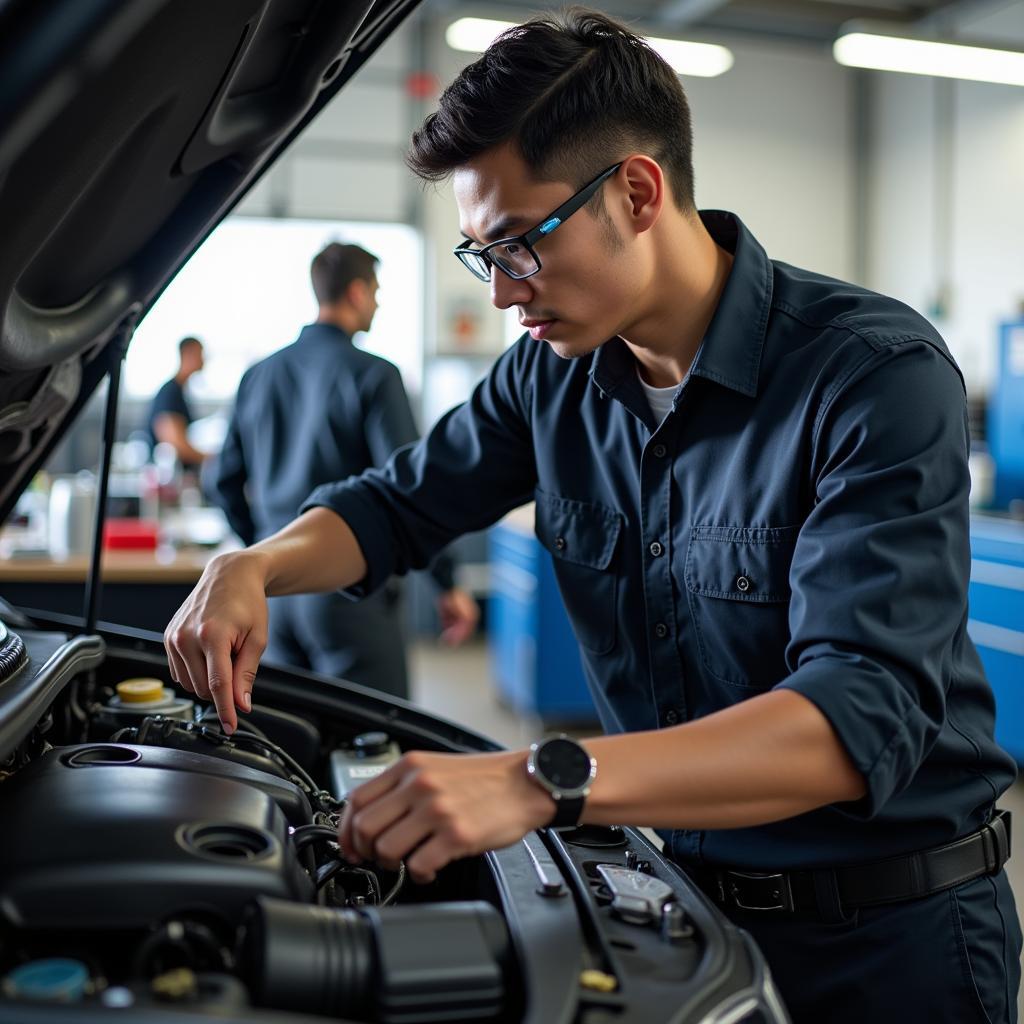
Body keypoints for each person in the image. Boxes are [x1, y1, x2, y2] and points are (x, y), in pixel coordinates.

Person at [165, 11, 1020, 1022]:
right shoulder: (548, 378)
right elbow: (394, 504)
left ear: (636, 191)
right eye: (485, 255)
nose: (505, 293)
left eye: (519, 245)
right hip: (681, 914)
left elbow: (854, 716)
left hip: (885, 945)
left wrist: (539, 777)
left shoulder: (870, 375)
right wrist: (253, 565)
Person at [207, 242, 478, 698]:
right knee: (371, 745)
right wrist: (447, 581)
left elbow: (222, 480)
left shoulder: (259, 375)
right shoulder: (375, 375)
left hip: (276, 592)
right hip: (350, 592)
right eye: (375, 291)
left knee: (291, 739)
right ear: (356, 293)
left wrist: (263, 548)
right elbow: (415, 486)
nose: (377, 303)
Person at [147, 335, 207, 467]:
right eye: (201, 353)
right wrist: (211, 459)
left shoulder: (181, 391)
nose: (204, 359)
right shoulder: (170, 392)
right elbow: (175, 443)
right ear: (188, 353)